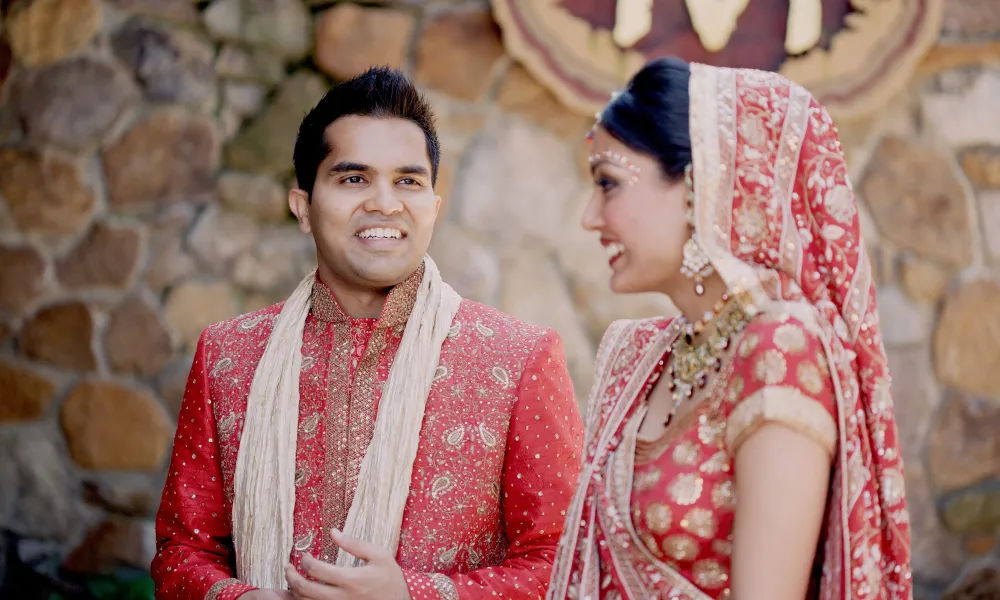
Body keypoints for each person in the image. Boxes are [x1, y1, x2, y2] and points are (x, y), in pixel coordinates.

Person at [151, 66, 585, 600]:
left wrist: (414, 595)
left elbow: (565, 562)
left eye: (408, 181)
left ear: (432, 207)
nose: (385, 203)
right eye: (353, 178)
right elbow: (182, 551)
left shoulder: (518, 359)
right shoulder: (230, 356)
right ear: (304, 208)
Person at [547, 58, 912, 599]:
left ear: (700, 187)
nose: (590, 216)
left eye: (609, 184)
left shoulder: (779, 345)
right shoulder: (637, 355)